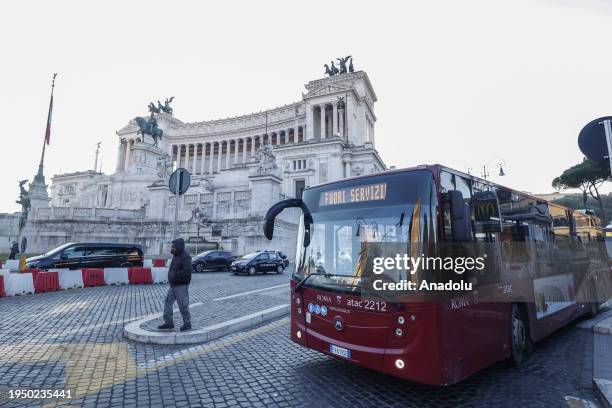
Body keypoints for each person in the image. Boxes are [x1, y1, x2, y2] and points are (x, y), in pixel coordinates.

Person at [158, 238, 193, 331]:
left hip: (181, 285)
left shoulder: (185, 256)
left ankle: (187, 323)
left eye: (173, 247)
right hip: (173, 284)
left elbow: (188, 270)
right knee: (167, 301)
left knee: (182, 304)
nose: (172, 248)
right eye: (172, 246)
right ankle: (168, 323)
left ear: (178, 247)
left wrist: (176, 275)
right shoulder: (176, 255)